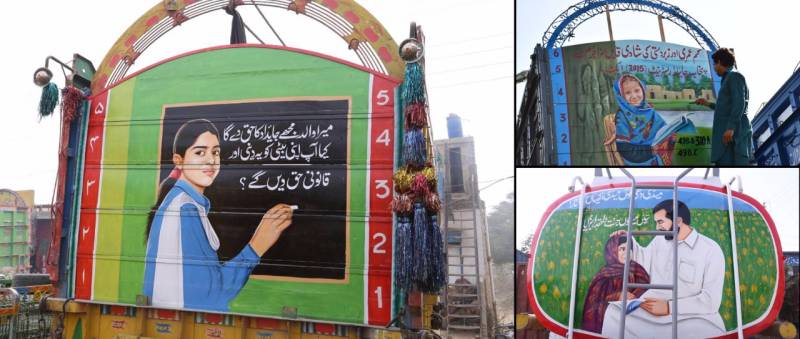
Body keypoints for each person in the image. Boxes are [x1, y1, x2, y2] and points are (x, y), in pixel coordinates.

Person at [143, 119, 294, 311]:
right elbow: (211, 295)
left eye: (215, 152)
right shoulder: (184, 209)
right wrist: (258, 244)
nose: (210, 160)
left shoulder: (183, 202)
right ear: (178, 161)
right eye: (200, 152)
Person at [602, 199, 726, 339]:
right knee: (614, 312)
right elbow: (644, 260)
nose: (657, 227)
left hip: (690, 318)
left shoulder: (710, 249)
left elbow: (710, 301)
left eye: (660, 222)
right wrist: (627, 238)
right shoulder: (660, 240)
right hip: (651, 310)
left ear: (678, 221)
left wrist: (668, 307)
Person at [694, 48, 753, 165]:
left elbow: (739, 102)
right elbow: (726, 108)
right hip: (729, 136)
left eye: (715, 64)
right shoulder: (727, 79)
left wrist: (730, 128)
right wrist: (707, 103)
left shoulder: (734, 76)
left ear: (720, 62)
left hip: (735, 134)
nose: (714, 67)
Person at [581, 234, 650, 334]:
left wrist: (635, 296)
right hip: (613, 321)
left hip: (637, 320)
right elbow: (594, 305)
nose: (626, 253)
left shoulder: (638, 270)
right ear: (612, 251)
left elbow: (646, 289)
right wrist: (617, 296)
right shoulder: (604, 275)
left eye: (629, 249)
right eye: (622, 249)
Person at [614, 74, 668, 166]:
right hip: (637, 162)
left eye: (637, 90)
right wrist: (649, 151)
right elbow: (624, 149)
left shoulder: (650, 111)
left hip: (655, 157)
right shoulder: (622, 116)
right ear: (621, 96)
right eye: (628, 93)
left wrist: (671, 136)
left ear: (642, 90)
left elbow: (664, 130)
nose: (634, 96)